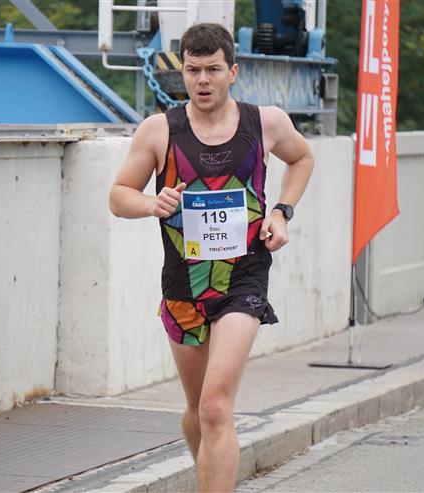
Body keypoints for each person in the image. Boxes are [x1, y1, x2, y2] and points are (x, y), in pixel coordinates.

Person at [109, 23, 313, 493]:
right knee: (198, 408)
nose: (202, 80)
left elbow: (302, 158)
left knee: (217, 406)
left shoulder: (265, 123)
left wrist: (281, 212)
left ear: (233, 72)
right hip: (184, 284)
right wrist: (151, 203)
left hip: (244, 277)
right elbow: (118, 195)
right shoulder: (160, 130)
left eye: (213, 70)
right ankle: (210, 470)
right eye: (193, 70)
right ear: (182, 71)